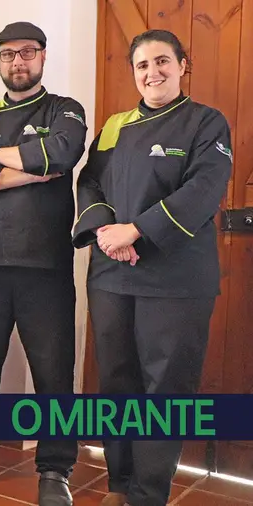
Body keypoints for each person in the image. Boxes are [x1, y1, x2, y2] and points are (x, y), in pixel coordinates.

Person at [73, 30, 232, 506]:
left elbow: (205, 188)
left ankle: (148, 495)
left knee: (166, 392)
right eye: (142, 65)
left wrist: (136, 231)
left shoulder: (207, 123)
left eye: (162, 61)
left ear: (183, 65)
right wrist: (106, 232)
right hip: (112, 276)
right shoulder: (116, 125)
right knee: (117, 382)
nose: (152, 73)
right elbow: (89, 182)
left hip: (177, 280)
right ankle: (119, 485)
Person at [0, 22, 87, 505]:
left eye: (27, 53)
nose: (17, 62)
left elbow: (64, 153)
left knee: (53, 372)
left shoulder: (65, 109)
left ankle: (55, 468)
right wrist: (34, 170)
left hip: (45, 265)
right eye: (8, 54)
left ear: (43, 57)